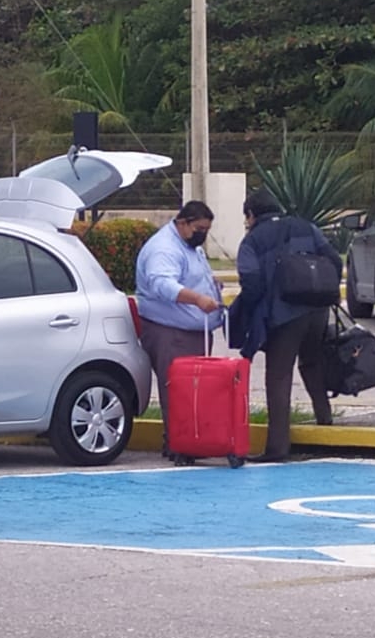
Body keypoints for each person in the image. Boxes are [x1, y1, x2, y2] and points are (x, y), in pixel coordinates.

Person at [233, 188, 342, 461]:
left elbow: (252, 283)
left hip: (283, 315)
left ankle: (277, 448)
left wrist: (248, 313)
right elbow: (335, 260)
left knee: (279, 377)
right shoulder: (306, 226)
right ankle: (324, 418)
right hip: (318, 310)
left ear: (251, 215)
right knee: (312, 361)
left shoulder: (252, 241)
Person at [134, 200, 223, 456]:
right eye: (199, 228)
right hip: (170, 331)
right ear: (183, 223)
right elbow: (163, 284)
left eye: (207, 229)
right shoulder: (164, 249)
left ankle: (189, 439)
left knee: (192, 391)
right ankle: (177, 443)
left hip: (194, 330)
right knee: (177, 389)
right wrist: (197, 299)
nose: (203, 234)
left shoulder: (190, 247)